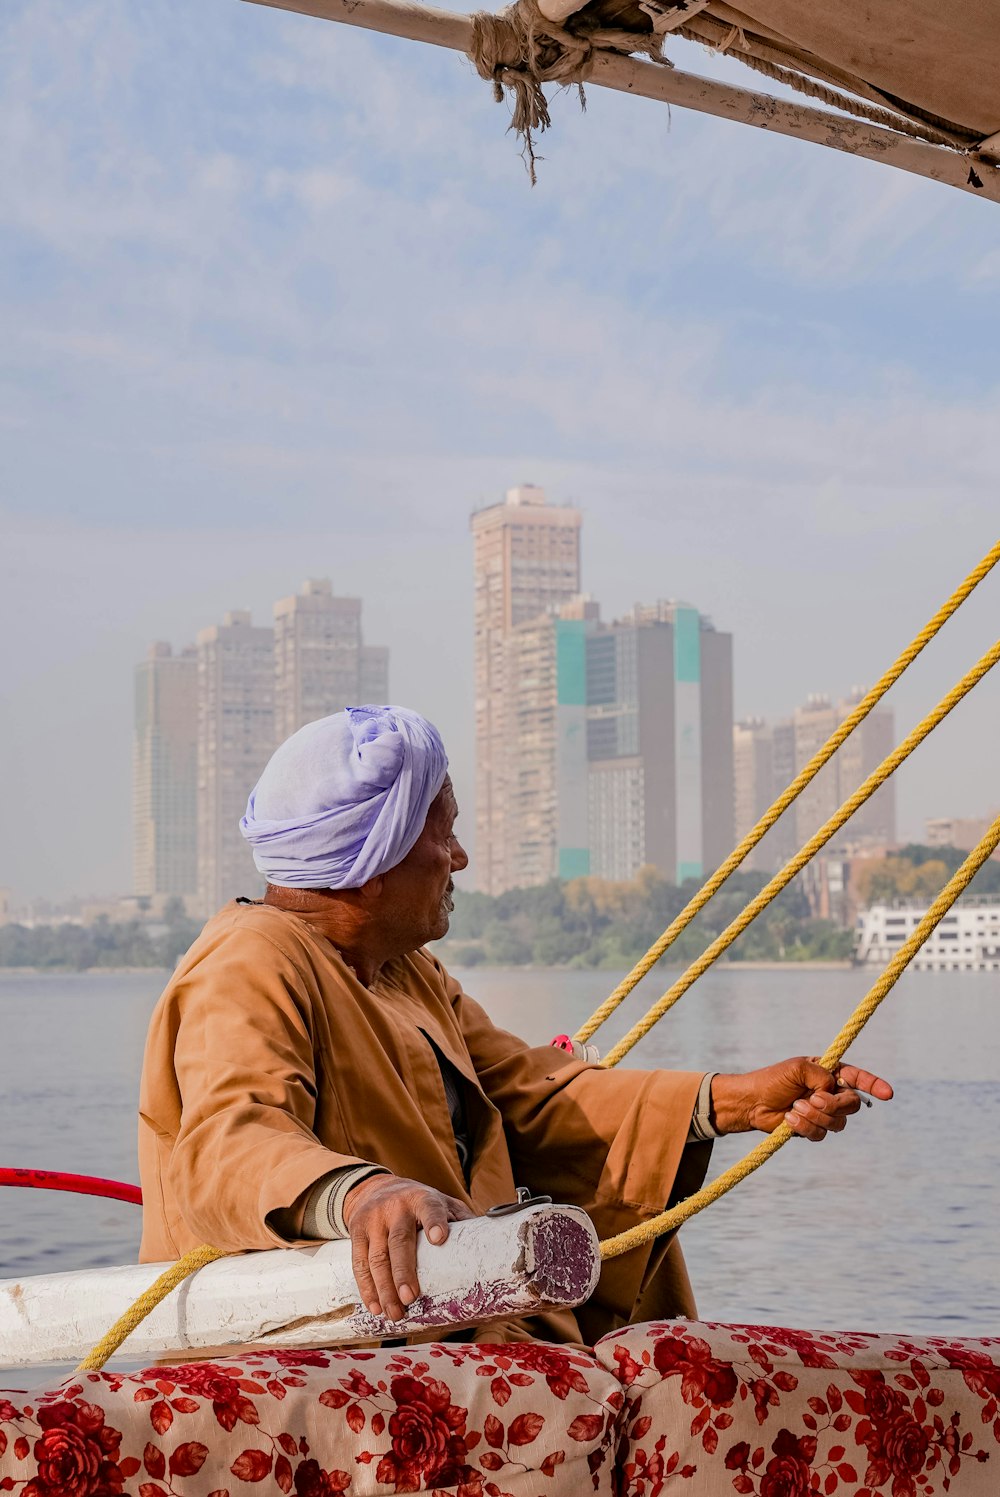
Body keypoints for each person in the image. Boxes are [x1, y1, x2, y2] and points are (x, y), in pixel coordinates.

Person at [138, 705, 892, 1346]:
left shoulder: (406, 970)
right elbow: (228, 1141)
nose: (459, 858)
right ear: (374, 862)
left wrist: (731, 1101)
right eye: (445, 833)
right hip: (341, 1370)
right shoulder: (250, 958)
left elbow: (531, 1093)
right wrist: (362, 1196)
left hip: (472, 1336)